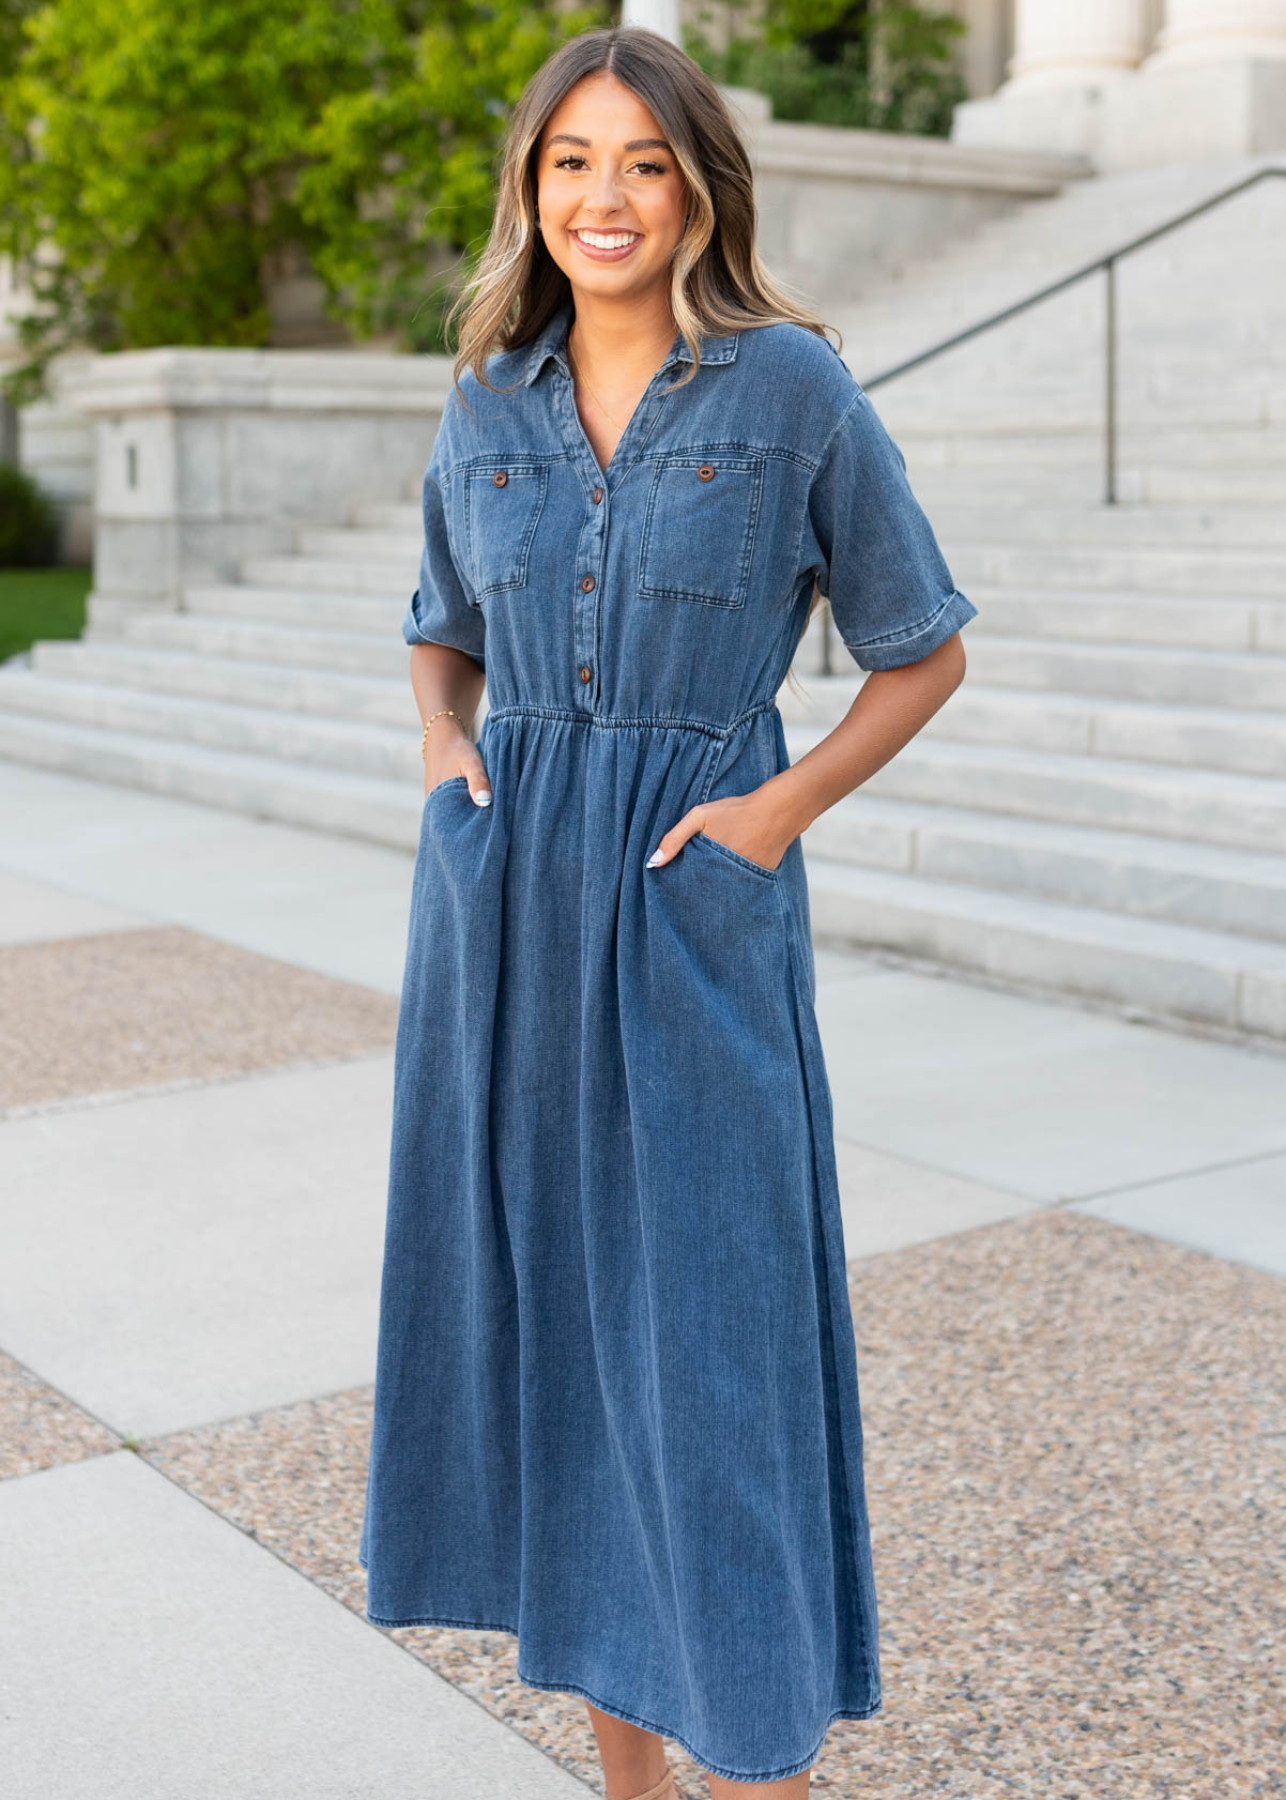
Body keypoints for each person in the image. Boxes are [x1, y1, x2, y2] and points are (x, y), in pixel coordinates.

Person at [358, 24, 977, 1799]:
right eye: (570, 162)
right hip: (503, 919)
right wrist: (438, 751)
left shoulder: (792, 391)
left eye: (641, 159)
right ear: (528, 191)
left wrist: (768, 819)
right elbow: (435, 614)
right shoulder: (485, 392)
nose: (603, 196)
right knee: (554, 1339)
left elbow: (918, 648)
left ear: (699, 181)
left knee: (705, 1364)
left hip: (689, 909)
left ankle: (758, 1769)